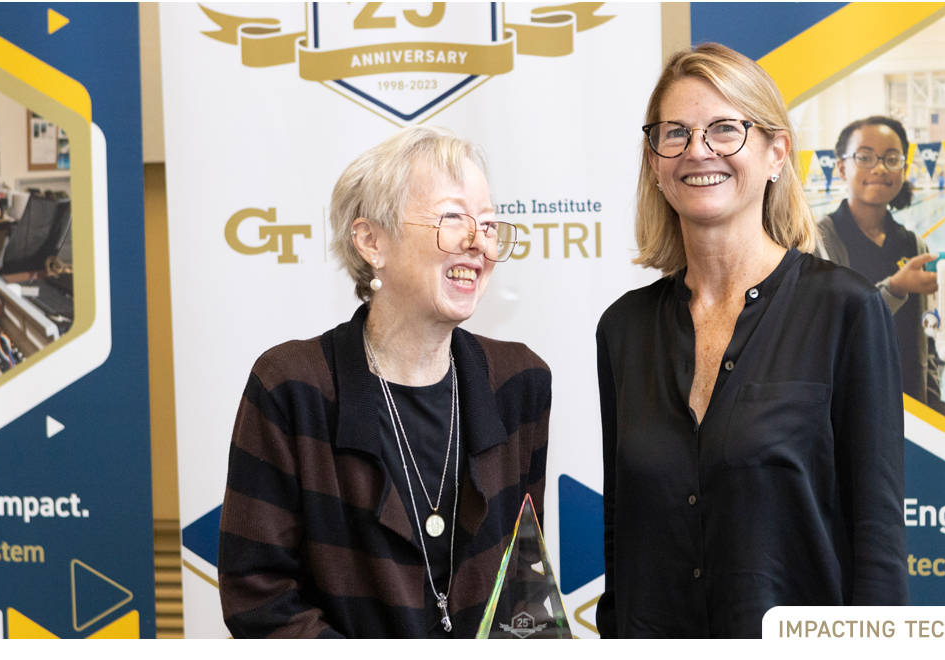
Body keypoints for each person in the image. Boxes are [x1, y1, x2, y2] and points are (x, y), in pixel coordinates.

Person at [595, 43, 908, 639]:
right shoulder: (624, 329)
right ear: (655, 162)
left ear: (775, 152)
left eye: (724, 129)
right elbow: (622, 531)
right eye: (675, 134)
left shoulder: (846, 311)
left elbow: (877, 540)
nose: (698, 151)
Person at [218, 126, 551, 638]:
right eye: (452, 218)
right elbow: (259, 600)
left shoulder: (520, 384)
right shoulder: (292, 388)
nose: (476, 242)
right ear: (372, 241)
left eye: (487, 224)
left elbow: (522, 585)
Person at [814, 116, 945, 415]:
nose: (879, 167)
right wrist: (895, 288)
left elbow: (926, 343)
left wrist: (933, 402)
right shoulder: (818, 242)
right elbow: (824, 332)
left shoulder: (914, 245)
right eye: (865, 157)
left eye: (891, 159)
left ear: (903, 169)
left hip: (911, 406)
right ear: (841, 167)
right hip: (846, 411)